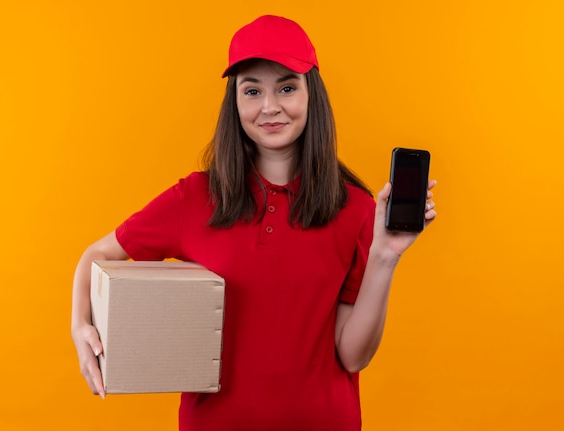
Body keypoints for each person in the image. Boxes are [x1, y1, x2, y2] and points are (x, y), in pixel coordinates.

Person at [71, 14, 437, 431]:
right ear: (236, 103)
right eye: (252, 90)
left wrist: (385, 256)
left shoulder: (353, 208)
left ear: (311, 95)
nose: (270, 107)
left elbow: (353, 356)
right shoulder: (195, 197)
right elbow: (98, 254)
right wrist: (80, 324)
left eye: (286, 87)